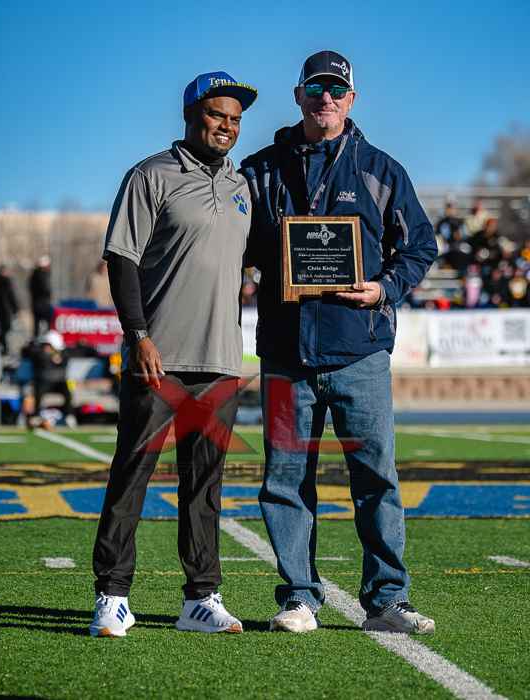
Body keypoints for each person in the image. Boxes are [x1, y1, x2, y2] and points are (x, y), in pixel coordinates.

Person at [240, 50, 437, 634]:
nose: (324, 98)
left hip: (360, 352)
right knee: (284, 480)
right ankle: (298, 598)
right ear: (298, 95)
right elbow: (229, 242)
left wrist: (383, 289)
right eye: (315, 88)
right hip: (285, 354)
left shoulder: (381, 169)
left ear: (351, 99)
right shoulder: (260, 170)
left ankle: (387, 600)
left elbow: (420, 246)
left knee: (376, 478)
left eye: (335, 89)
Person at [90, 71, 257, 637]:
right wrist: (138, 335)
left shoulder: (243, 185)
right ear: (190, 115)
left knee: (205, 486)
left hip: (221, 360)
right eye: (216, 115)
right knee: (131, 475)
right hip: (157, 356)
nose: (226, 126)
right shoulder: (150, 175)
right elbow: (122, 259)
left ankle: (200, 599)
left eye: (235, 119)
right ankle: (112, 595)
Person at [0, 265, 19, 355]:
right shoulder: (0, 282)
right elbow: (10, 295)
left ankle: (0, 342)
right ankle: (3, 347)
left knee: (5, 328)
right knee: (5, 327)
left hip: (3, 309)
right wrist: (15, 307)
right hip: (4, 309)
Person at [28, 256, 52, 337]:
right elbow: (45, 289)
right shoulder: (41, 275)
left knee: (36, 325)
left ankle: (36, 339)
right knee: (49, 321)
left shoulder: (33, 275)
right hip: (42, 304)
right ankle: (47, 338)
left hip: (35, 303)